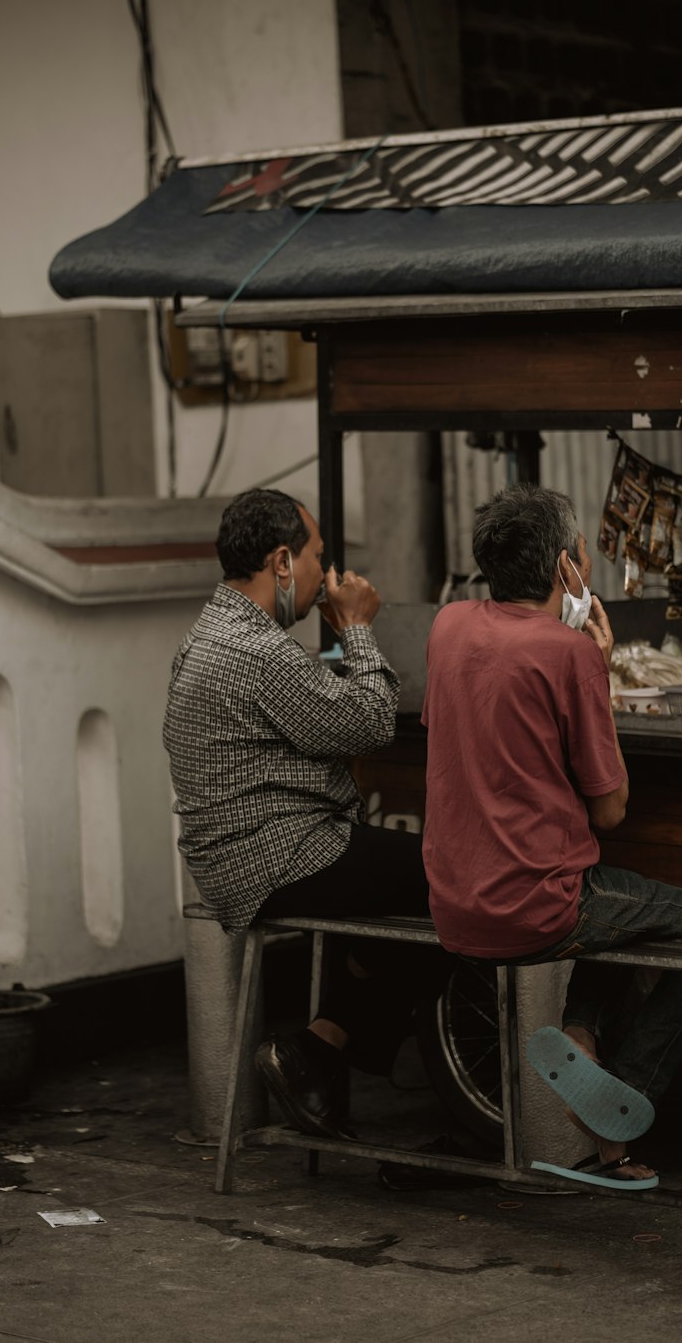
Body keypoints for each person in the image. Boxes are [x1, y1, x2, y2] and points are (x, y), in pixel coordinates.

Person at [421, 483, 682, 1187]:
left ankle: (582, 1041)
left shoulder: (447, 625)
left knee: (626, 904)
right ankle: (621, 1088)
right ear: (569, 568)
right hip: (538, 904)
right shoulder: (570, 655)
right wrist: (591, 658)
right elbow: (611, 810)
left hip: (453, 902)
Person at [163, 487, 450, 1141]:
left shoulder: (211, 632)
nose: (327, 574)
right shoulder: (257, 649)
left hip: (239, 856)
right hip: (279, 855)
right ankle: (327, 1049)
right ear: (284, 561)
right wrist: (356, 630)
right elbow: (372, 720)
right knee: (457, 876)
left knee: (398, 884)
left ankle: (320, 1050)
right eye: (320, 556)